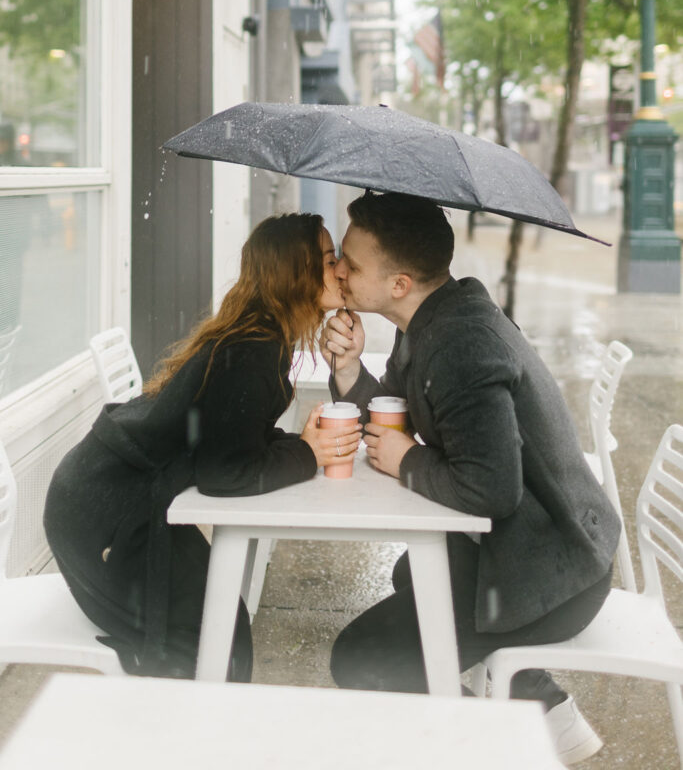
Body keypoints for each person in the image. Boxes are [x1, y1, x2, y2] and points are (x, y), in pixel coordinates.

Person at [321, 191, 620, 766]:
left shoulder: (461, 343)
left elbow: (490, 490)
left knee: (362, 658)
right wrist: (350, 370)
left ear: (400, 283)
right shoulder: (434, 318)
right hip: (539, 546)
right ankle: (542, 705)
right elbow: (394, 416)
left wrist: (410, 461)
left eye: (351, 266)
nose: (337, 270)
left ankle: (499, 743)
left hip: (556, 572)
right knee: (416, 572)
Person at [44, 212, 361, 679]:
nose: (339, 271)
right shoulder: (254, 348)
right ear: (294, 272)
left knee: (221, 622)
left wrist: (301, 445)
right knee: (211, 638)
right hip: (104, 519)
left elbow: (228, 437)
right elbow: (225, 473)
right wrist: (307, 454)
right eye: (329, 259)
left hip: (104, 496)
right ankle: (183, 740)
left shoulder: (259, 335)